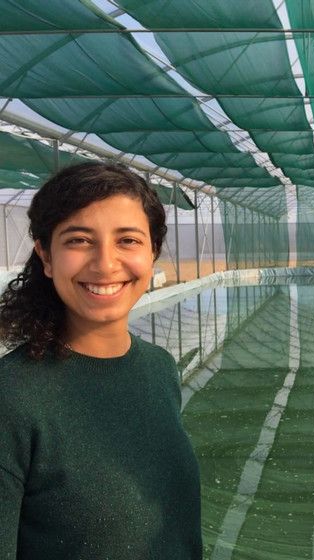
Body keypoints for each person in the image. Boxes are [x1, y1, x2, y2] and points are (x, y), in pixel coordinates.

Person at [0, 162, 202, 559]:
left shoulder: (160, 368)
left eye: (127, 240)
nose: (105, 264)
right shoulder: (13, 397)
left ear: (153, 251)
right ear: (45, 255)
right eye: (79, 240)